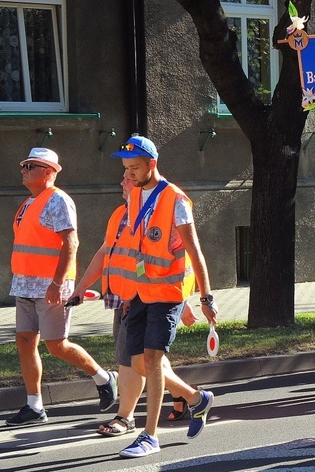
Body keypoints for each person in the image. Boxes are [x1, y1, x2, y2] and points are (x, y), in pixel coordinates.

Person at [67, 176, 210, 438]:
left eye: (130, 176)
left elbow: (177, 259)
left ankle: (127, 417)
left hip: (147, 298)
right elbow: (105, 252)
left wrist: (187, 300)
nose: (122, 181)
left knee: (132, 360)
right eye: (123, 175)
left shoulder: (160, 211)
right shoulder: (121, 214)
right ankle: (189, 396)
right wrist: (80, 287)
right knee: (145, 359)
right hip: (125, 296)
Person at [110, 135, 216, 458]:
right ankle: (197, 399)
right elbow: (135, 247)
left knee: (153, 359)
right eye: (126, 168)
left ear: (152, 164)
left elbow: (194, 250)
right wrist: (129, 291)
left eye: (135, 168)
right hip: (141, 291)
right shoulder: (136, 196)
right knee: (139, 360)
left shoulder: (175, 199)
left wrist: (205, 296)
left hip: (168, 294)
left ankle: (149, 435)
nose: (129, 175)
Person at [6, 148, 118, 426]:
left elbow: (71, 243)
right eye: (24, 164)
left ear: (48, 172)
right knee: (24, 342)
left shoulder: (58, 200)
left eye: (30, 166)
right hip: (24, 285)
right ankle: (34, 406)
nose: (23, 169)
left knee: (56, 345)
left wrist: (58, 283)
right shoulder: (28, 203)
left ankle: (104, 378)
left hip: (50, 286)